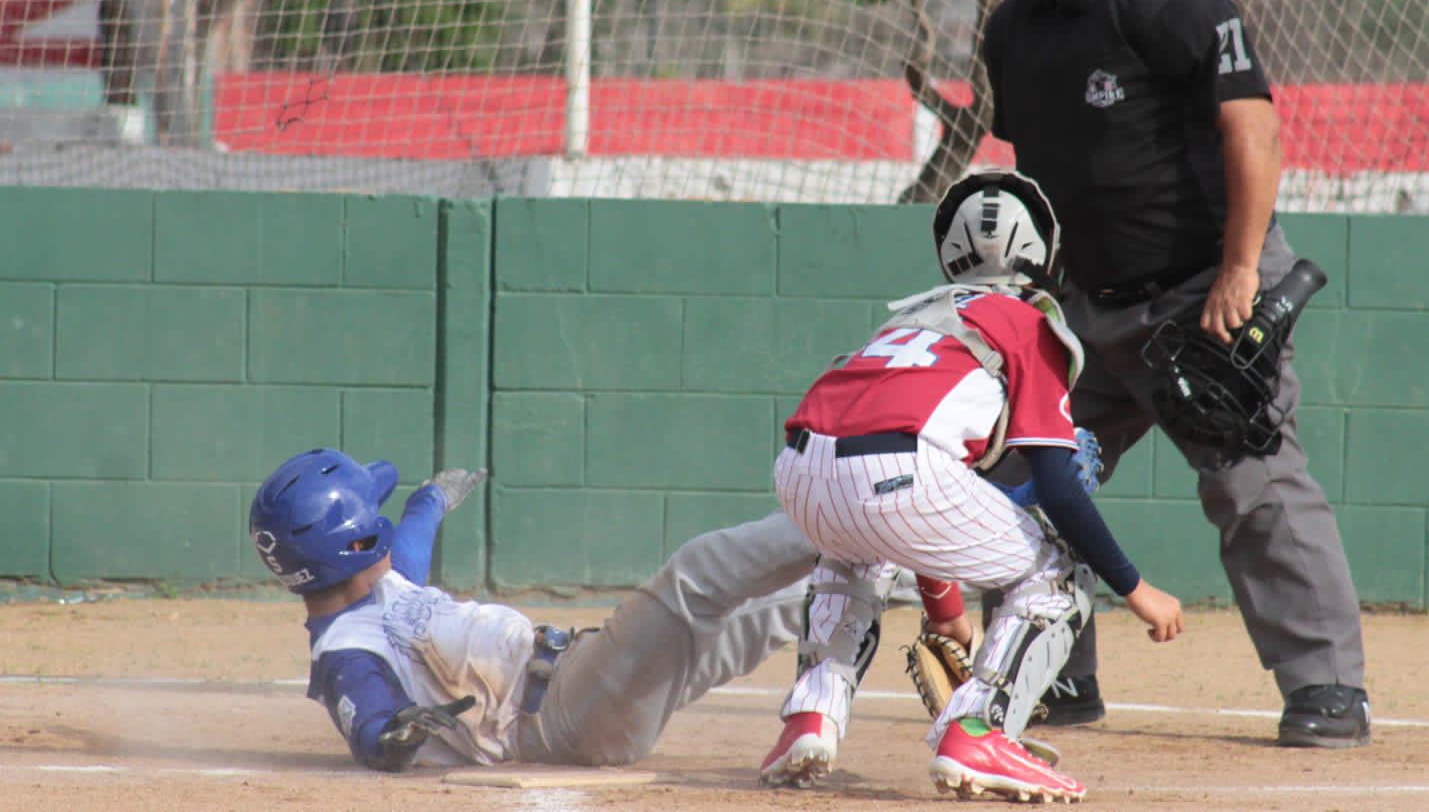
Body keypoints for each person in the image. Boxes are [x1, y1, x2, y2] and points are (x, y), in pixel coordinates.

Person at [979, 0, 1370, 748]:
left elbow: (1255, 131)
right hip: (1090, 306)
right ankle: (1053, 671)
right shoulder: (1011, 29)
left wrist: (1239, 271)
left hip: (1206, 289)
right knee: (1012, 478)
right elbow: (1040, 170)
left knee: (1254, 482)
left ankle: (1328, 689)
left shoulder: (1168, 2)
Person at [758, 170, 1184, 803]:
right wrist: (1136, 588)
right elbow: (1059, 489)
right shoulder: (1027, 323)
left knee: (853, 550)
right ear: (1042, 252)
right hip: (900, 475)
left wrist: (946, 614)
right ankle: (977, 730)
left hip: (802, 469)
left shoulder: (911, 318)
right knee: (1060, 576)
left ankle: (810, 718)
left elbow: (905, 490)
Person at [248, 447, 818, 771]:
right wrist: (391, 733)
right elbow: (364, 717)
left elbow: (413, 542)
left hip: (581, 680)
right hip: (559, 716)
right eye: (376, 510)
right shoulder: (344, 650)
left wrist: (430, 500)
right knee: (698, 572)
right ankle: (841, 515)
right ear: (355, 542)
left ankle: (883, 561)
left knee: (786, 602)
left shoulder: (381, 587)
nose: (388, 520)